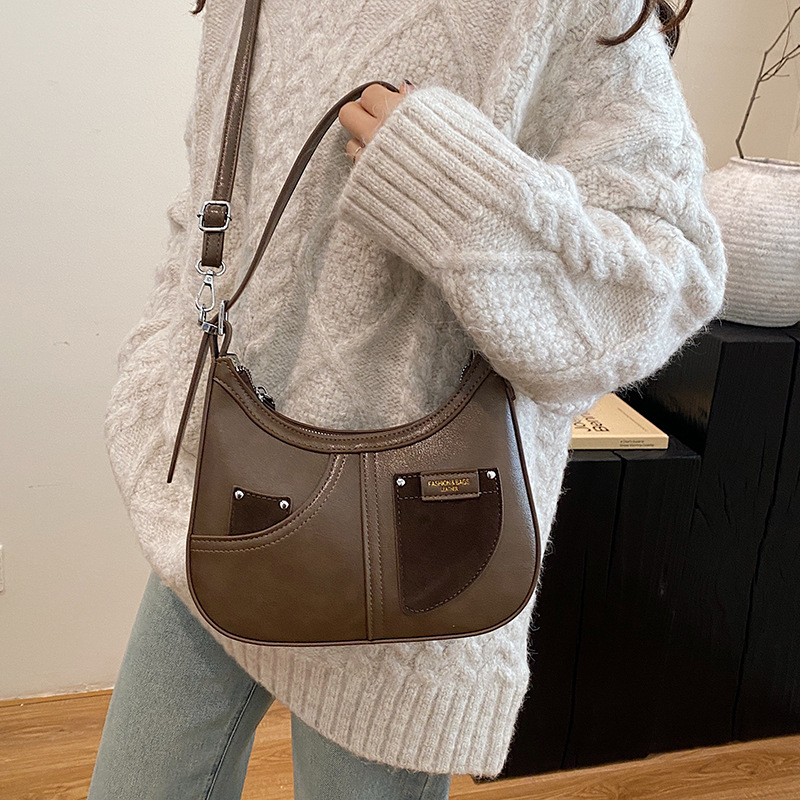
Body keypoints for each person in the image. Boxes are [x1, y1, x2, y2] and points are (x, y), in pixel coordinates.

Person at [92, 0, 726, 797]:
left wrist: (458, 191)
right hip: (219, 494)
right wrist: (160, 360)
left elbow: (665, 282)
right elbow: (213, 208)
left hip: (419, 549)